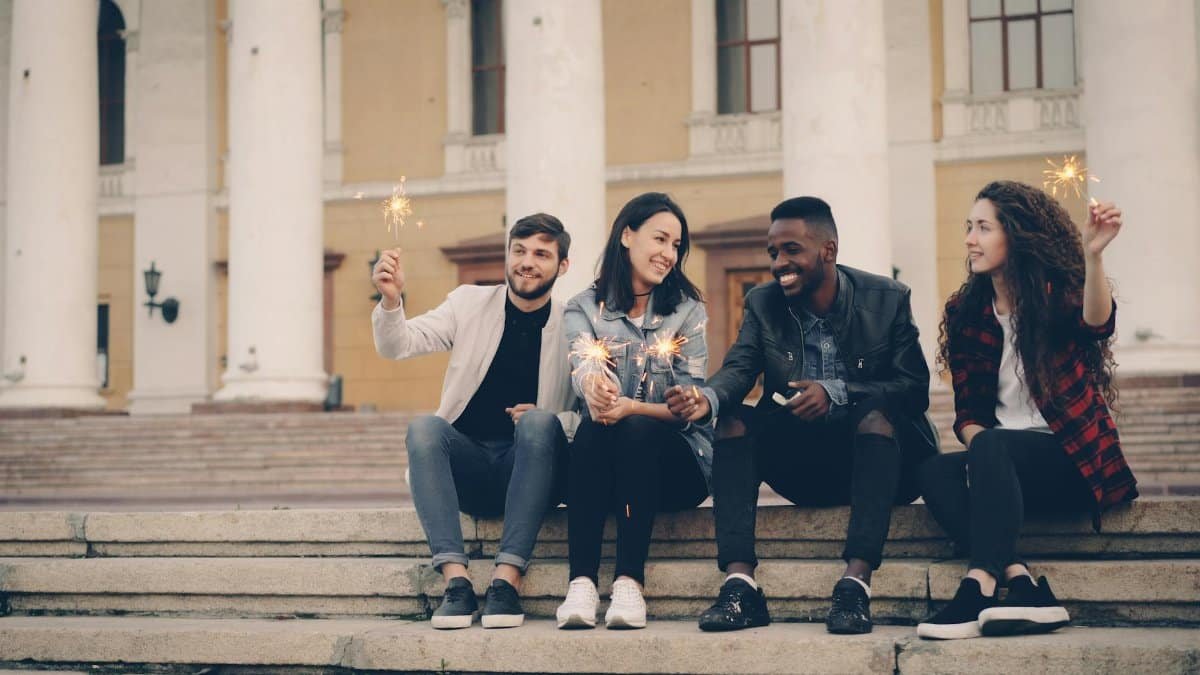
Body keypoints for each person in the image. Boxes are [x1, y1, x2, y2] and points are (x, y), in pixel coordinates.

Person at [669, 196, 939, 635]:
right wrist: (708, 398)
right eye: (773, 252)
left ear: (828, 250)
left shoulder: (887, 300)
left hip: (882, 461)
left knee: (876, 415)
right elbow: (740, 366)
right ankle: (740, 586)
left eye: (792, 249)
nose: (779, 262)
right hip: (803, 465)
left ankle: (855, 584)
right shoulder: (763, 303)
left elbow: (914, 389)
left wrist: (837, 393)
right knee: (734, 420)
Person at [916, 181, 1137, 640]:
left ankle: (978, 586)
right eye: (968, 228)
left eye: (982, 228)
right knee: (935, 471)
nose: (969, 240)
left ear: (1014, 235)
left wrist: (1093, 256)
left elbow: (1096, 323)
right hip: (1002, 468)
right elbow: (969, 415)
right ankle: (1022, 582)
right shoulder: (966, 311)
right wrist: (984, 461)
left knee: (994, 445)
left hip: (1071, 460)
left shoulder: (1055, 294)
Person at [371, 213, 578, 630]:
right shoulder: (468, 304)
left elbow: (590, 412)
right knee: (424, 428)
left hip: (532, 471)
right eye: (519, 250)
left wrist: (553, 420)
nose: (527, 262)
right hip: (468, 468)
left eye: (541, 254)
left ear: (562, 265)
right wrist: (392, 301)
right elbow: (399, 345)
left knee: (540, 424)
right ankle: (457, 583)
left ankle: (506, 582)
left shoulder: (574, 326)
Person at [555, 192, 712, 630]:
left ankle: (628, 583)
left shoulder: (687, 312)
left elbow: (693, 401)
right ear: (627, 235)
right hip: (607, 466)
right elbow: (583, 360)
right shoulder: (583, 307)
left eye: (676, 245)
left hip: (676, 468)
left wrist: (633, 407)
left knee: (637, 428)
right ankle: (582, 585)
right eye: (660, 239)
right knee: (591, 429)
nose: (668, 254)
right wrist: (596, 389)